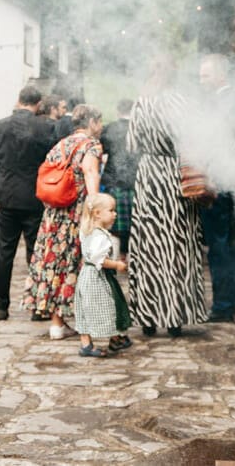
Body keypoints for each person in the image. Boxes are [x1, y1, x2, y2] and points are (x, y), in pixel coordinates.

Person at [128, 62, 209, 337]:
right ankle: (174, 318)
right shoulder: (181, 103)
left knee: (148, 245)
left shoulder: (141, 103)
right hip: (174, 177)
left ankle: (148, 319)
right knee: (176, 245)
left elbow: (132, 145)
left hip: (149, 176)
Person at [24, 104, 104, 338]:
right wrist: (95, 210)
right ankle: (85, 323)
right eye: (99, 122)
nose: (100, 127)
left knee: (54, 265)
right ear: (91, 122)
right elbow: (90, 173)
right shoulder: (90, 145)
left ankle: (57, 324)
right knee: (78, 265)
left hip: (54, 215)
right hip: (76, 215)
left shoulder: (60, 144)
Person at [0, 85, 57, 321]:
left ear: (19, 100)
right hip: (35, 197)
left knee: (4, 252)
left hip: (7, 197)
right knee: (36, 253)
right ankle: (38, 305)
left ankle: (1, 306)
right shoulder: (46, 127)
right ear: (38, 104)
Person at [197, 54, 235, 323]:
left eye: (205, 75)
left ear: (220, 75)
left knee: (219, 246)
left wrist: (211, 178)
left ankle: (223, 305)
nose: (200, 80)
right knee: (228, 243)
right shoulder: (230, 100)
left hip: (220, 180)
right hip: (230, 179)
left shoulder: (224, 103)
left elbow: (222, 145)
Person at [74, 194, 129, 358]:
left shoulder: (88, 231)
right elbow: (100, 259)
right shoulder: (100, 236)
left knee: (86, 309)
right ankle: (114, 337)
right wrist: (117, 265)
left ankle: (92, 342)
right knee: (107, 307)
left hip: (86, 275)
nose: (115, 214)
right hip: (96, 277)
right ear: (97, 213)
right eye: (111, 210)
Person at [100, 99, 139, 258]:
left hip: (113, 181)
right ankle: (133, 264)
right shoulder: (139, 128)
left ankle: (115, 263)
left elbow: (102, 152)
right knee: (135, 226)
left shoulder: (109, 128)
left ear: (118, 110)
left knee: (113, 227)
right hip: (136, 182)